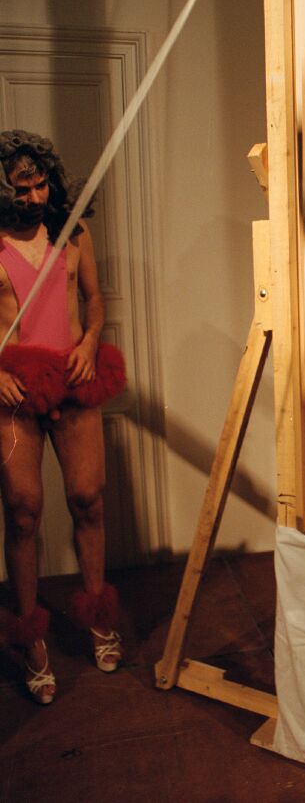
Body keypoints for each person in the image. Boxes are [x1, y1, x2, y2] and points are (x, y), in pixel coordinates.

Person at [0, 130, 126, 704]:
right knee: (23, 511)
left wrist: (92, 339)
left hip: (74, 379)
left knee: (88, 498)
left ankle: (98, 616)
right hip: (15, 388)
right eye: (20, 189)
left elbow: (94, 301)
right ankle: (31, 638)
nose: (33, 197)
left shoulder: (74, 231)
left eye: (40, 184)